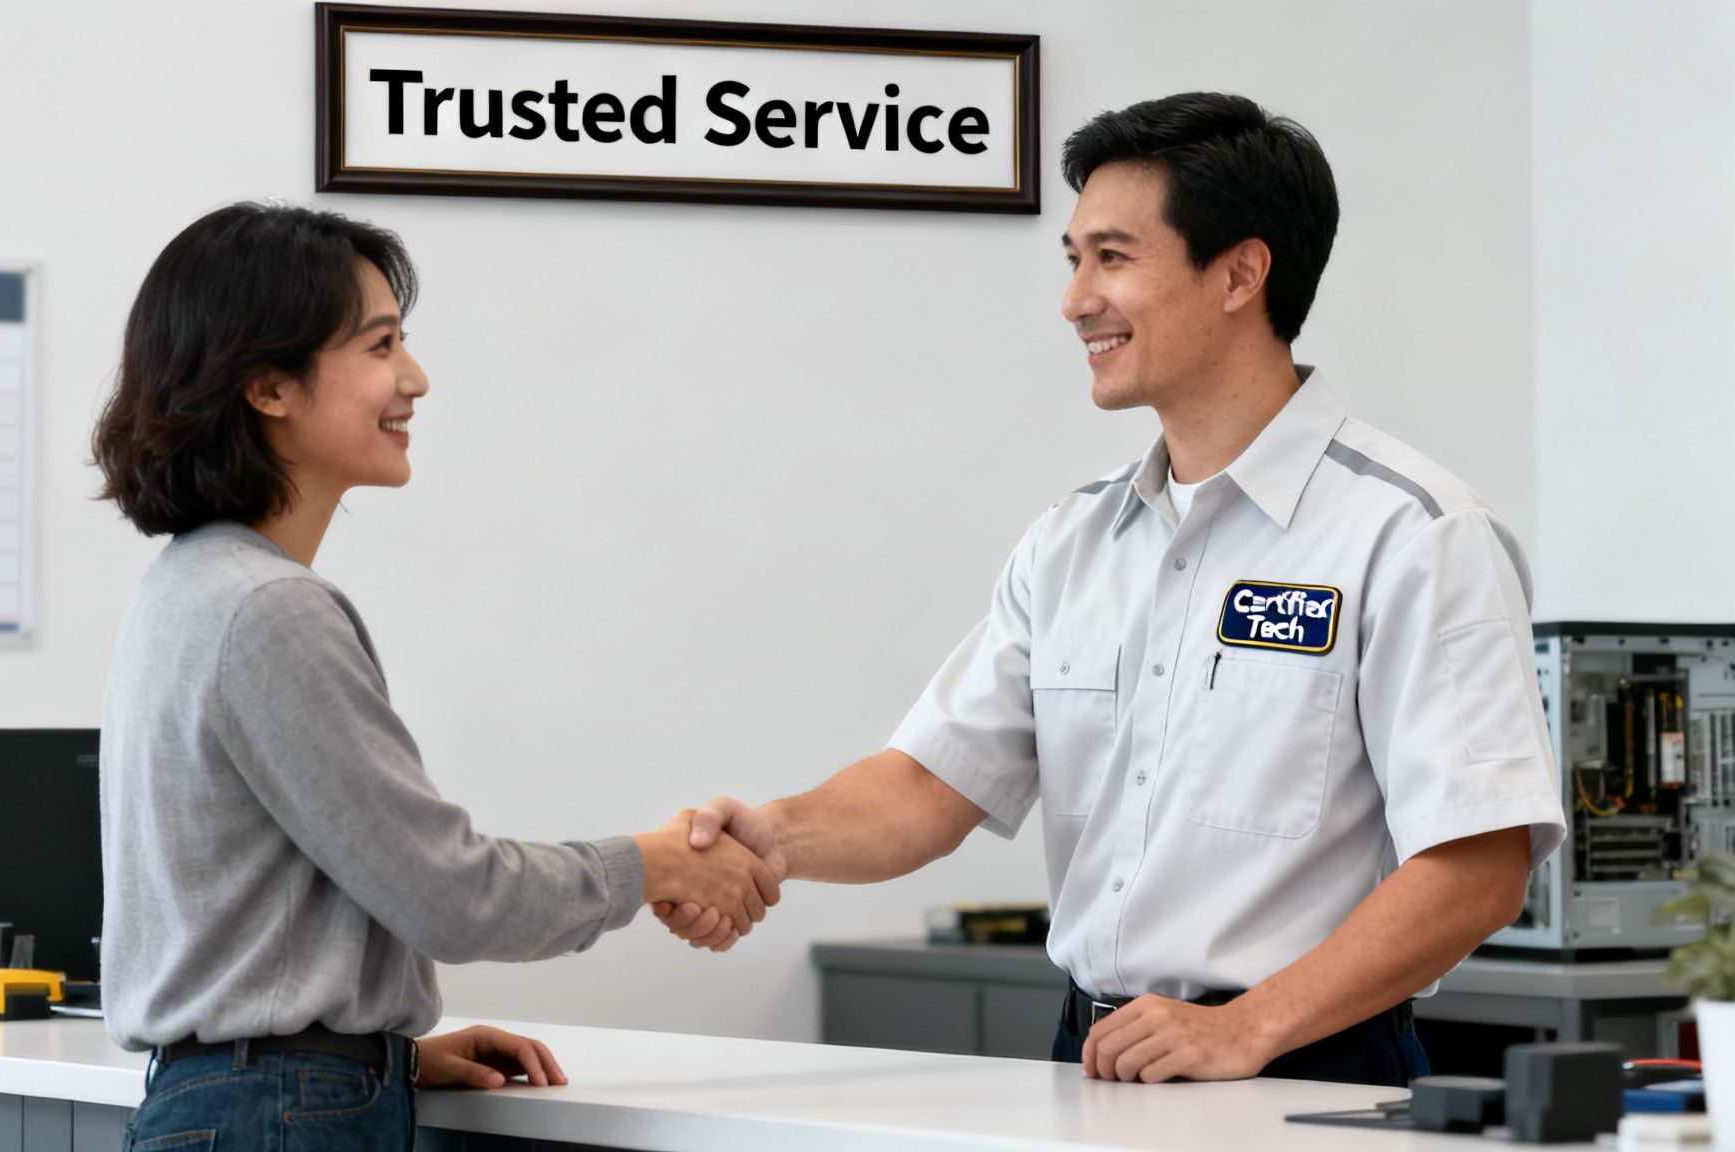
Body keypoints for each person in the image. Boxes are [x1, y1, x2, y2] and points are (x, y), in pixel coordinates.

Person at [657, 92, 1567, 1087]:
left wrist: (1245, 1028)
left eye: (1111, 257)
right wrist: (765, 838)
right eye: (1072, 259)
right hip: (1092, 1057)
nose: (1073, 299)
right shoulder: (1071, 542)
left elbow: (1477, 864)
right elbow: (927, 787)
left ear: (1237, 273)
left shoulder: (1413, 533)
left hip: (1306, 1070)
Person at [91, 201, 780, 1150]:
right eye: (379, 347)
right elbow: (446, 894)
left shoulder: (187, 586)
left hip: (247, 1098)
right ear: (268, 387)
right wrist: (646, 863)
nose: (413, 378)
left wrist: (384, 1052)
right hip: (279, 1114)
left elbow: (254, 910)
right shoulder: (268, 610)